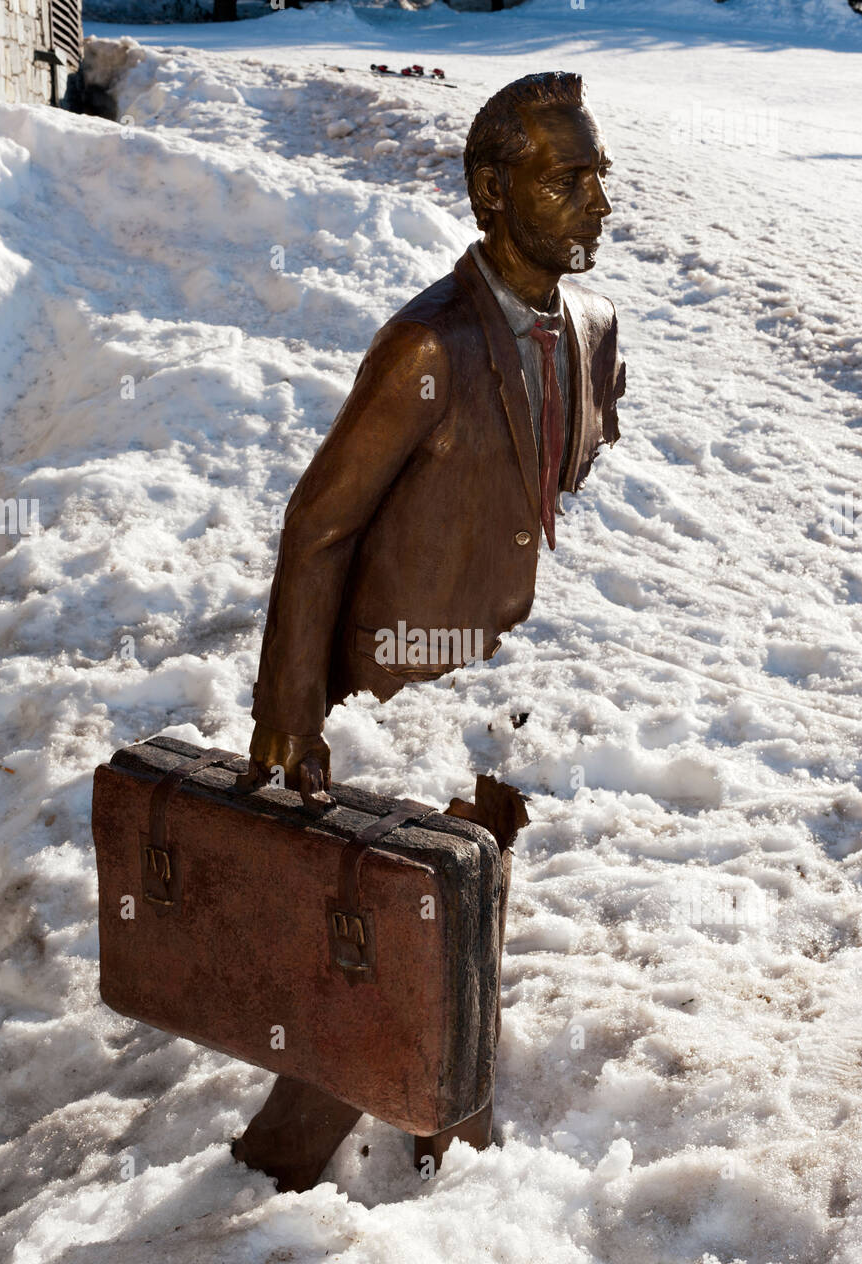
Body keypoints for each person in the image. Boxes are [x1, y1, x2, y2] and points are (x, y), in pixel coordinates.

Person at [234, 70, 626, 1191]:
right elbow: (316, 530)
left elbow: (561, 471)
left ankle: (447, 1127)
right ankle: (278, 1171)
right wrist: (288, 716)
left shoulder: (593, 326)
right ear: (492, 192)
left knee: (471, 907)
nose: (598, 201)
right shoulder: (427, 350)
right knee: (396, 943)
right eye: (569, 178)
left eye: (601, 174)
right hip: (398, 691)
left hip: (501, 683)